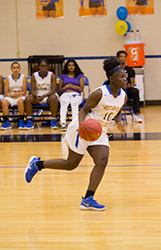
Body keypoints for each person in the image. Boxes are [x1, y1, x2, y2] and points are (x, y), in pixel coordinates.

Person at [24, 56, 127, 210]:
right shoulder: (100, 93)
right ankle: (37, 164)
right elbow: (84, 110)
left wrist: (118, 122)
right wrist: (81, 126)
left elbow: (116, 111)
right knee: (71, 164)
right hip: (84, 127)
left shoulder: (123, 96)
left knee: (102, 161)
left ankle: (88, 198)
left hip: (100, 131)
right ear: (111, 78)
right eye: (122, 77)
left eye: (125, 76)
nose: (125, 79)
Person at [24, 58, 59, 130]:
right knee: (28, 99)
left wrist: (43, 96)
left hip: (48, 96)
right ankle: (29, 121)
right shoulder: (34, 75)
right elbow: (32, 89)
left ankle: (53, 120)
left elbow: (53, 90)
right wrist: (36, 96)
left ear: (48, 67)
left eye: (45, 66)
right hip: (37, 96)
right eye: (42, 66)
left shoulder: (51, 75)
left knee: (54, 98)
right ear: (38, 67)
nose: (43, 68)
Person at [116, 50, 142, 123]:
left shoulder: (130, 70)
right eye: (121, 57)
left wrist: (129, 85)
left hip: (126, 90)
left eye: (124, 57)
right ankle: (113, 115)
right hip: (117, 90)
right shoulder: (115, 70)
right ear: (118, 58)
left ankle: (136, 114)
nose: (123, 58)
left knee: (135, 91)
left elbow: (132, 84)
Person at [59, 60, 84, 131]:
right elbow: (60, 89)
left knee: (74, 103)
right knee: (64, 102)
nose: (71, 67)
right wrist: (66, 87)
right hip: (65, 93)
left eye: (73, 65)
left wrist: (72, 86)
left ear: (75, 66)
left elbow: (81, 89)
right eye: (69, 65)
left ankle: (74, 124)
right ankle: (63, 123)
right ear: (67, 67)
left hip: (76, 94)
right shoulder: (63, 76)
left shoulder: (80, 76)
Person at [1, 62, 27, 130]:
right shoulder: (8, 78)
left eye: (17, 68)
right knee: (4, 102)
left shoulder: (23, 77)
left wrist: (12, 94)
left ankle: (21, 121)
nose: (16, 69)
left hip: (20, 97)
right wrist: (16, 94)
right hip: (12, 97)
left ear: (20, 69)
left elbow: (24, 92)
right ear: (11, 69)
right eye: (14, 68)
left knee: (20, 101)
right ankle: (7, 122)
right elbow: (6, 93)